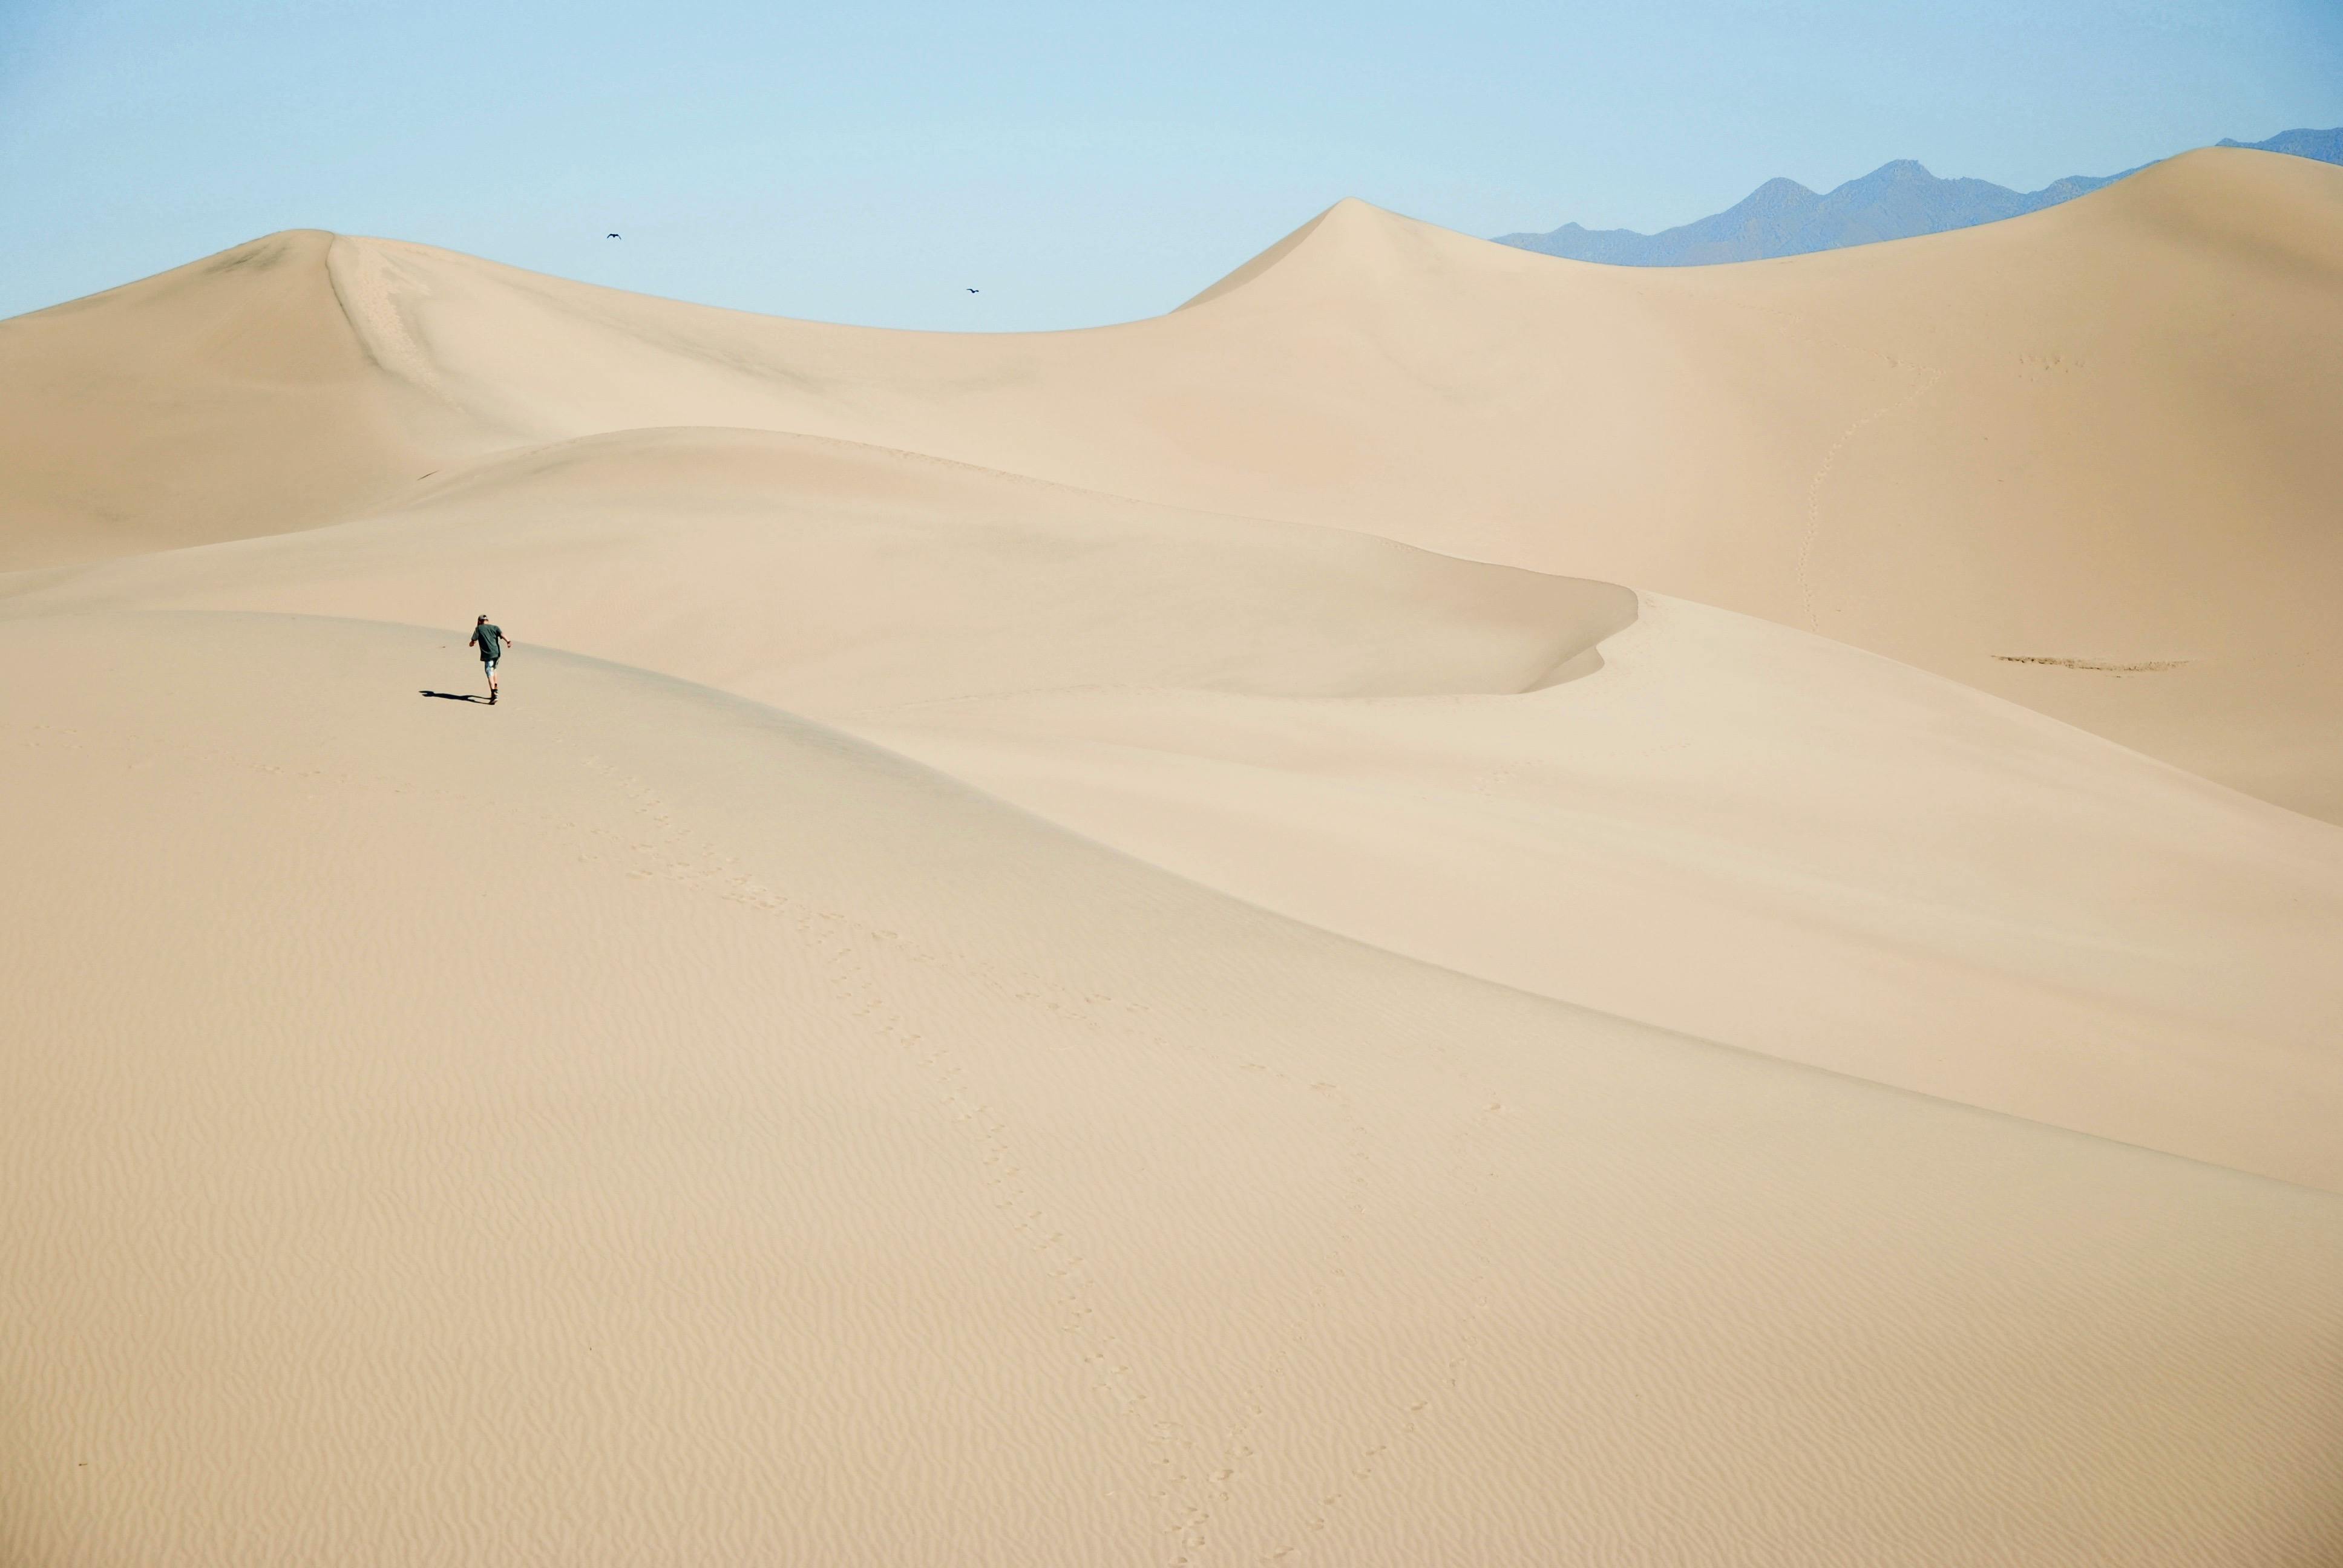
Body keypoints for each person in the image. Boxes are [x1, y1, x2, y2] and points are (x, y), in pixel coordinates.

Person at [467, 615, 512, 703]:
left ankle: (494, 693)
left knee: (489, 673)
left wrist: (471, 644)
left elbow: (473, 642)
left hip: (488, 655)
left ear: (480, 621)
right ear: (488, 621)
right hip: (497, 654)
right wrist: (508, 641)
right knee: (494, 670)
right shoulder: (495, 627)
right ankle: (496, 689)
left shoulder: (479, 629)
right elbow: (502, 635)